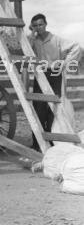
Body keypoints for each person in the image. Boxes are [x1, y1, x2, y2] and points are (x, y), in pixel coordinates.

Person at [28, 13, 81, 149]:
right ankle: (37, 144)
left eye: (40, 24)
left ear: (45, 24)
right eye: (35, 26)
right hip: (40, 75)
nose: (39, 28)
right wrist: (32, 34)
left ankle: (53, 142)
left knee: (54, 109)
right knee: (39, 109)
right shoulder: (33, 40)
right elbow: (26, 50)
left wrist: (64, 63)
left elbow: (77, 47)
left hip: (55, 75)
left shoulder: (56, 40)